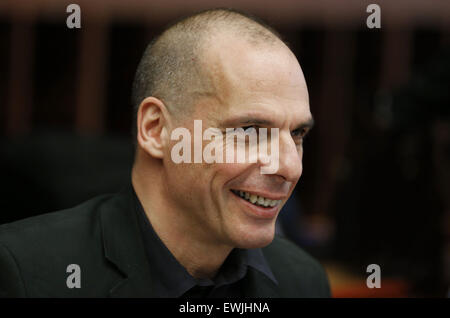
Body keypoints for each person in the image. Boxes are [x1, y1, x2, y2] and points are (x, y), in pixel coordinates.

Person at [0, 8, 330, 297]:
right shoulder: (26, 273)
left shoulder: (301, 280)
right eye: (249, 131)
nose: (289, 167)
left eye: (297, 133)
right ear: (156, 130)